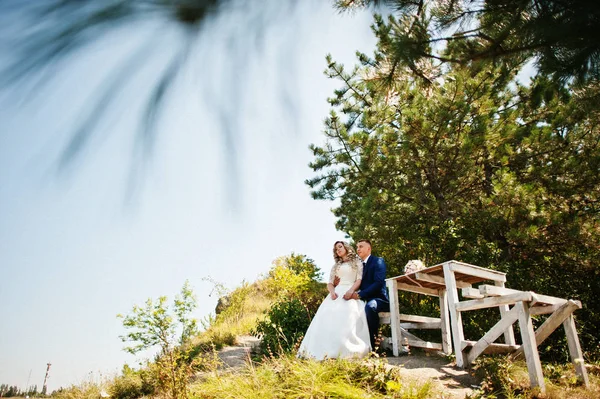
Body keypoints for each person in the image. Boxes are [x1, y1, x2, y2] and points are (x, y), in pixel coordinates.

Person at [297, 241, 371, 359]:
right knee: (327, 315)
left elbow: (359, 279)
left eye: (340, 247)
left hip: (350, 291)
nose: (338, 250)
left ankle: (348, 350)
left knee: (349, 313)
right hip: (337, 292)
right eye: (336, 249)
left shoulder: (357, 262)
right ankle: (324, 351)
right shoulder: (335, 266)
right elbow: (330, 283)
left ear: (346, 247)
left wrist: (351, 291)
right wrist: (332, 292)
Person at [346, 239, 390, 349]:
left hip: (379, 300)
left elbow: (378, 283)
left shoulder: (378, 261)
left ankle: (374, 344)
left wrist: (360, 295)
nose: (358, 249)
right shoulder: (358, 266)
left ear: (368, 249)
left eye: (361, 246)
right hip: (362, 299)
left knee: (370, 307)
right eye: (357, 247)